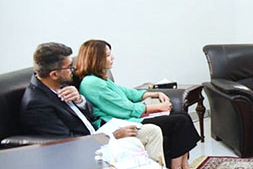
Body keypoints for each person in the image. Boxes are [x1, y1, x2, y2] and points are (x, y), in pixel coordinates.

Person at [75, 40, 202, 169]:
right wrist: (156, 107)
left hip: (127, 119)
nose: (112, 58)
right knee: (179, 121)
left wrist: (153, 93)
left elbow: (128, 92)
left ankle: (184, 167)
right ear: (96, 59)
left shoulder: (101, 78)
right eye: (107, 55)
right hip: (122, 123)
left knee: (182, 116)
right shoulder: (91, 83)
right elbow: (124, 108)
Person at [20, 42, 164, 161]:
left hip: (99, 132)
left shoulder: (59, 82)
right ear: (54, 74)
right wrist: (111, 136)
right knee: (133, 142)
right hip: (89, 146)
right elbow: (67, 143)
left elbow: (89, 113)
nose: (74, 69)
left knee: (153, 131)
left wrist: (80, 100)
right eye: (70, 67)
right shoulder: (36, 104)